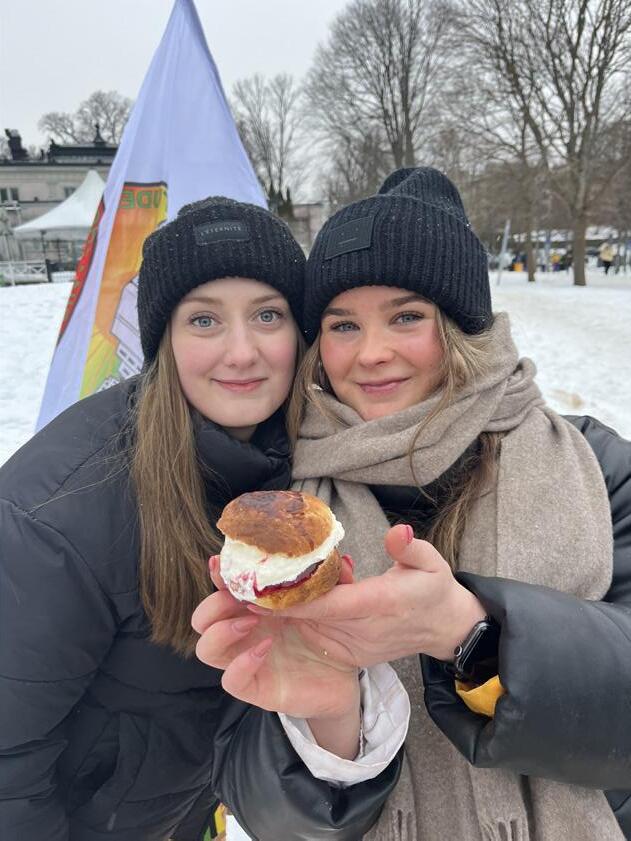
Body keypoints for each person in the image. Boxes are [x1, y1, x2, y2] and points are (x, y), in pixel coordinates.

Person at [193, 169, 631, 840]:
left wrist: (473, 636)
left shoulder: (596, 470)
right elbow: (261, 804)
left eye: (406, 317)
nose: (371, 353)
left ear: (462, 328)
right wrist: (330, 723)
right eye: (343, 324)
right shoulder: (281, 519)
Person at [0, 197, 405, 841]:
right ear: (164, 339)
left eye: (267, 315)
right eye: (204, 320)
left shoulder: (303, 466)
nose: (241, 353)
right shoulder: (58, 515)